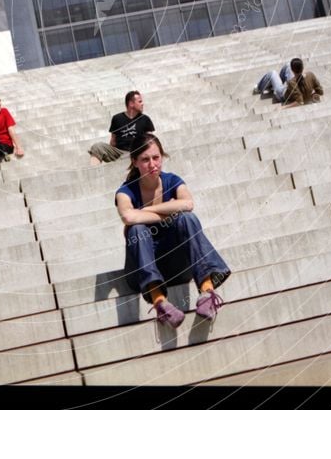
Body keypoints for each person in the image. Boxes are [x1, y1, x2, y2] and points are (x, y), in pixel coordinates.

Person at [114, 133, 231, 327]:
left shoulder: (172, 181)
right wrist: (169, 209)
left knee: (187, 218)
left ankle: (207, 293)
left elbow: (187, 204)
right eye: (145, 159)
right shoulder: (125, 192)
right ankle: (160, 303)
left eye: (156, 157)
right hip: (142, 272)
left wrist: (146, 210)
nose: (152, 164)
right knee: (135, 229)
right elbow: (128, 216)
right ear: (134, 161)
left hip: (177, 265)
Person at [88, 91, 155, 165]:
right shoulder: (117, 118)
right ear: (131, 104)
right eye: (140, 101)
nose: (142, 104)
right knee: (97, 147)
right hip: (119, 152)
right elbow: (113, 141)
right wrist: (111, 153)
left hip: (135, 152)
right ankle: (95, 171)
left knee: (132, 155)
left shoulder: (145, 119)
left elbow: (150, 141)